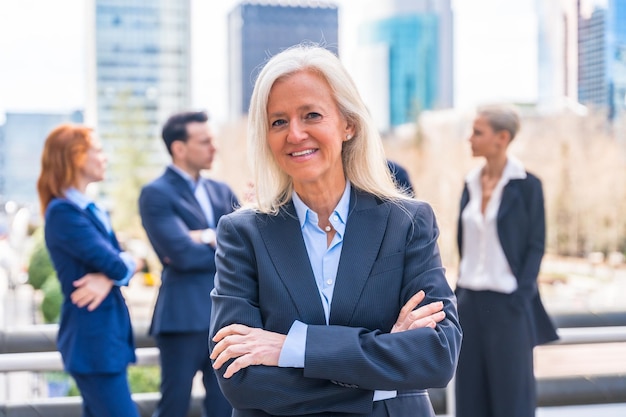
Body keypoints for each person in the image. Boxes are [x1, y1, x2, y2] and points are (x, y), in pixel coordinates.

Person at [209, 44, 462, 417]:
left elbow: (436, 356)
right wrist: (382, 380)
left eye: (311, 115)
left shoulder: (407, 223)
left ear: (349, 124)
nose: (295, 134)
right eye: (278, 121)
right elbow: (240, 379)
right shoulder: (242, 234)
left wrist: (291, 348)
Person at [454, 104, 559, 417]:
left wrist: (521, 295)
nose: (469, 138)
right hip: (469, 304)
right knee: (470, 398)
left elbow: (536, 245)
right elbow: (465, 244)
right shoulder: (470, 183)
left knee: (512, 400)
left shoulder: (528, 185)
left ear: (502, 138)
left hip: (509, 306)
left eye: (477, 132)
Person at [37, 124, 144, 417]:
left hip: (104, 342)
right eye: (97, 150)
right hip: (94, 344)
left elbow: (118, 263)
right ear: (75, 157)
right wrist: (119, 270)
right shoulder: (63, 213)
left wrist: (109, 276)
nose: (104, 157)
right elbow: (117, 263)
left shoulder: (89, 209)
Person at [138, 111, 238, 417]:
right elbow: (181, 254)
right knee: (174, 407)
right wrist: (221, 242)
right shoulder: (156, 193)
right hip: (181, 319)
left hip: (225, 321)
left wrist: (206, 237)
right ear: (179, 148)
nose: (214, 148)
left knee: (227, 408)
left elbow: (247, 246)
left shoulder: (220, 191)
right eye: (204, 141)